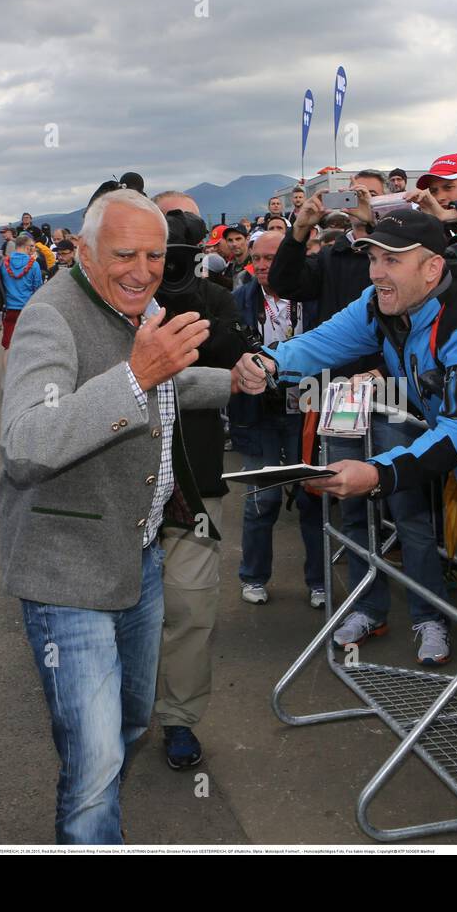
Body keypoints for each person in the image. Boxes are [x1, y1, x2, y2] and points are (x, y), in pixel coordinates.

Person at [0, 187, 230, 843]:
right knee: (97, 763)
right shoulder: (51, 318)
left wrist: (233, 383)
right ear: (83, 251)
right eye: (125, 254)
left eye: (155, 255)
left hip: (139, 560)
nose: (143, 269)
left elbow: (161, 384)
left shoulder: (141, 306)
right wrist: (135, 376)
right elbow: (26, 444)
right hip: (66, 574)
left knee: (128, 725)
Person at [236, 210, 457, 665]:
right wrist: (269, 362)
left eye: (392, 260)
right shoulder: (380, 300)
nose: (377, 272)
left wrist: (379, 474)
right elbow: (324, 341)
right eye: (374, 258)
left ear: (432, 268)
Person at [150, 201, 247, 772]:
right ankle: (122, 708)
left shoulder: (217, 299)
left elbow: (238, 372)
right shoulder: (112, 303)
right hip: (118, 482)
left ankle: (178, 717)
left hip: (197, 479)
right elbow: (110, 380)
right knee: (125, 607)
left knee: (190, 605)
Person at [228, 231, 325, 607]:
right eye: (259, 258)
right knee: (261, 499)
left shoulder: (314, 297)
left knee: (311, 497)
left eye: (273, 257)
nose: (265, 265)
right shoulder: (240, 299)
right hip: (259, 412)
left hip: (307, 409)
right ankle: (253, 576)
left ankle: (319, 582)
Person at [0, 233, 45, 350]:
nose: (33, 248)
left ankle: (8, 367)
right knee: (28, 344)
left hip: (10, 307)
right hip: (27, 307)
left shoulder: (5, 264)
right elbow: (38, 288)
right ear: (27, 246)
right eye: (32, 246)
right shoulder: (34, 265)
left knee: (8, 346)